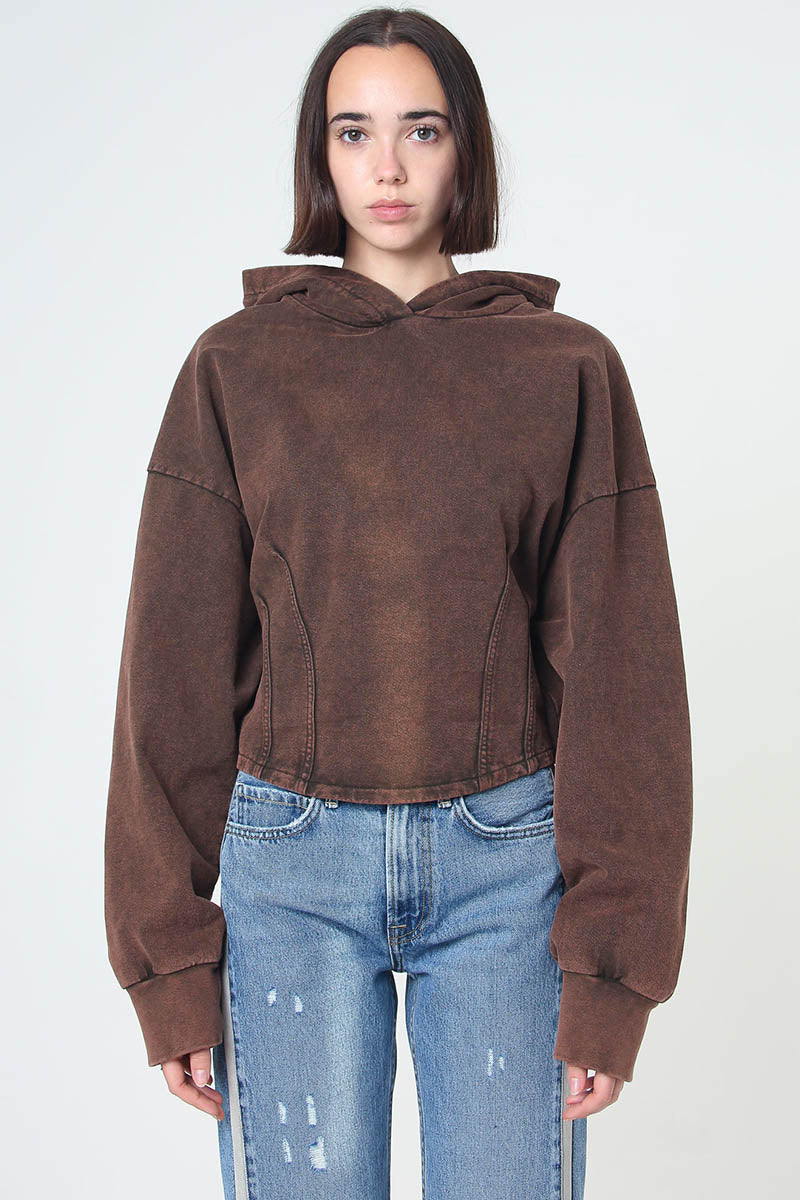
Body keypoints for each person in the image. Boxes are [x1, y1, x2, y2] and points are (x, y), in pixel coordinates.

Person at [104, 8, 693, 1198]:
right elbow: (171, 674)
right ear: (317, 157)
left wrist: (610, 975)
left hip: (508, 876)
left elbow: (622, 683)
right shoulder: (235, 367)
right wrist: (167, 964)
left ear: (464, 147)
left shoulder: (564, 369)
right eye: (352, 132)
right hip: (288, 877)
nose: (386, 166)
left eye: (419, 130)